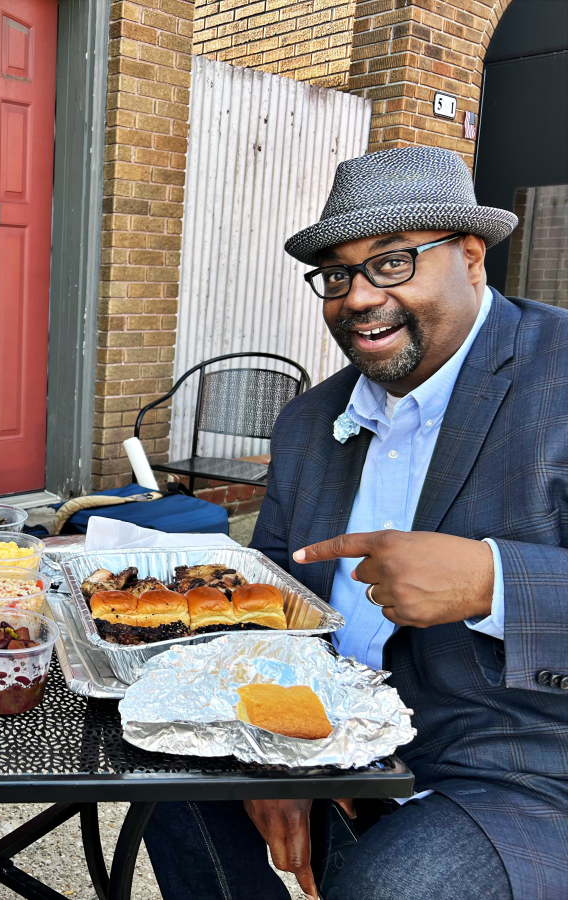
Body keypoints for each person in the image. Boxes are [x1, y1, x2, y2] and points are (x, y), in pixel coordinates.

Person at [141, 147, 568, 900]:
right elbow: (270, 596)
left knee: (394, 886)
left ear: (471, 258)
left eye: (392, 263)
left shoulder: (557, 375)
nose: (358, 297)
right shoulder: (312, 421)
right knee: (166, 784)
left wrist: (492, 582)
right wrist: (272, 747)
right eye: (338, 275)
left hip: (522, 766)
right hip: (328, 733)